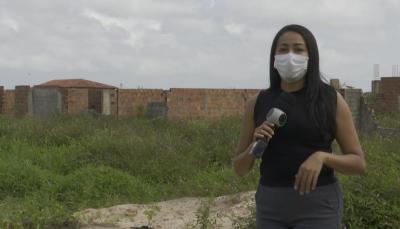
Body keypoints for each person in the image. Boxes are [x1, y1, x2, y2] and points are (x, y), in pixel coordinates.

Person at [231, 24, 366, 229]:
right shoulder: (257, 102)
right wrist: (254, 146)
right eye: (283, 49)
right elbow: (240, 169)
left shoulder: (330, 100)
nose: (290, 55)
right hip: (270, 206)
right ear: (274, 57)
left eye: (298, 49)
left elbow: (358, 163)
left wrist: (322, 157)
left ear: (310, 56)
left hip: (318, 205)